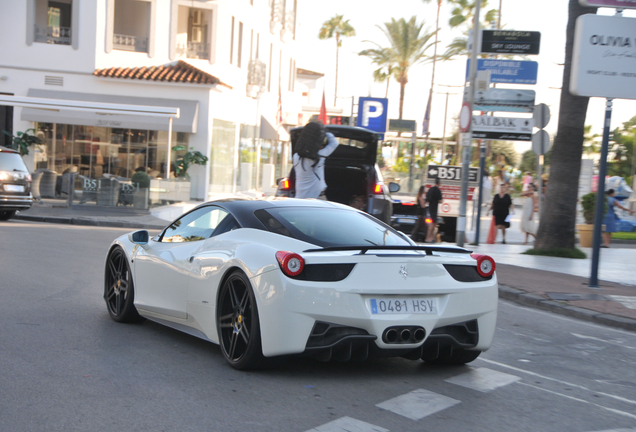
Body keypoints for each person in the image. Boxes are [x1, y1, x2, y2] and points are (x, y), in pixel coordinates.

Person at [293, 122, 338, 199]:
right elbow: (334, 143)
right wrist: (325, 131)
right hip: (317, 198)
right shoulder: (319, 156)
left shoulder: (296, 156)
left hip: (299, 198)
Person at [425, 178, 443, 242]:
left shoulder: (430, 189)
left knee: (434, 223)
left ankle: (430, 237)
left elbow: (427, 199)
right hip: (434, 208)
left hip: (430, 208)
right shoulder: (438, 191)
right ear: (439, 183)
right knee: (433, 224)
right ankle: (428, 238)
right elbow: (440, 201)